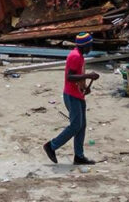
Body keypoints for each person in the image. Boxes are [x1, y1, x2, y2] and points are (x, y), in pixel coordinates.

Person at [44, 32, 100, 165]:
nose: (91, 48)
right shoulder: (75, 57)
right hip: (71, 95)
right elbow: (70, 77)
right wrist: (88, 76)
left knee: (81, 126)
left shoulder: (79, 56)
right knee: (75, 125)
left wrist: (84, 86)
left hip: (77, 94)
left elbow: (77, 75)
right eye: (90, 45)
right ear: (85, 45)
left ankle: (79, 156)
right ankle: (51, 146)